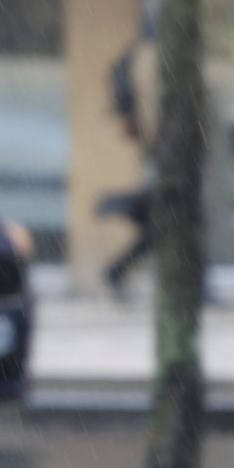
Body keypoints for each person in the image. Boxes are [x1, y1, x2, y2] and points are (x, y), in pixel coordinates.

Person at [97, 36, 157, 299]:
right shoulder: (148, 60)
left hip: (162, 144)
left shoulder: (142, 59)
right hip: (164, 145)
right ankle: (115, 272)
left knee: (162, 228)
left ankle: (115, 272)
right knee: (169, 225)